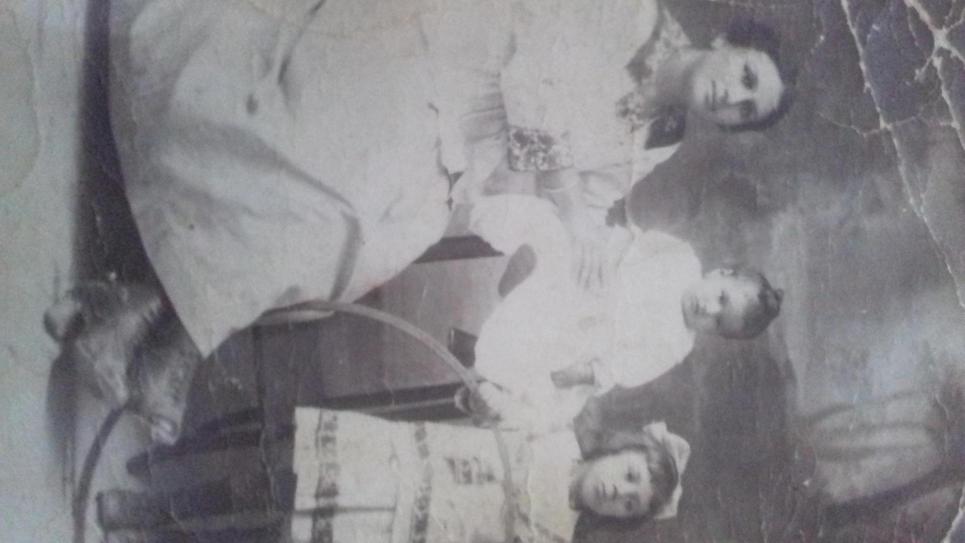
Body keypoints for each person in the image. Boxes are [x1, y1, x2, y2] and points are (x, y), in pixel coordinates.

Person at [49, 0, 790, 444]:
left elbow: (592, 196)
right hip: (438, 61)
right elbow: (536, 76)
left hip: (461, 157)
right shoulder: (632, 15)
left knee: (371, 244)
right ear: (729, 43)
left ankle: (141, 312)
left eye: (745, 110)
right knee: (347, 184)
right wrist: (570, 199)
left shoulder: (659, 139)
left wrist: (590, 239)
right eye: (747, 75)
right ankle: (171, 336)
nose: (733, 96)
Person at [463, 195, 783, 431]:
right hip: (589, 282)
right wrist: (597, 248)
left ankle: (492, 390)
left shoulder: (677, 345)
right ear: (720, 273)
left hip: (587, 342)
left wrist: (584, 374)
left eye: (717, 321)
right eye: (721, 298)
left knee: (548, 396)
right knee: (550, 233)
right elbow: (629, 242)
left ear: (715, 334)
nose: (709, 309)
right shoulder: (682, 259)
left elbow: (626, 368)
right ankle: (502, 242)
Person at [288, 408, 690, 542]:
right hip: (419, 462)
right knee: (322, 476)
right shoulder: (554, 430)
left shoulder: (555, 535)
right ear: (619, 449)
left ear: (620, 519)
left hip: (422, 530)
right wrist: (491, 402)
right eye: (629, 474)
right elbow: (497, 405)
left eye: (629, 504)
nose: (618, 491)